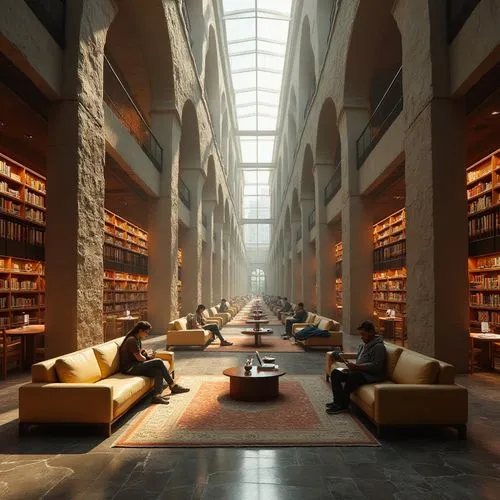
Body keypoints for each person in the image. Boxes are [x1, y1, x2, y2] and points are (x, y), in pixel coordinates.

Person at [119, 321, 189, 405]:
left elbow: (140, 353)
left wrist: (147, 355)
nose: (147, 334)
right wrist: (149, 358)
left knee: (157, 371)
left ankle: (157, 396)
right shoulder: (132, 340)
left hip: (135, 365)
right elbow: (140, 358)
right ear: (140, 330)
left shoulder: (137, 339)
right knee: (158, 361)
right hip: (130, 368)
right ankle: (173, 385)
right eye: (146, 332)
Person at [326, 321, 387, 414]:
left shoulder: (379, 347)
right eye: (361, 335)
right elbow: (359, 359)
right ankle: (337, 402)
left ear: (371, 332)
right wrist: (349, 363)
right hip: (359, 371)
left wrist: (357, 366)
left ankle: (343, 405)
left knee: (353, 376)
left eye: (363, 334)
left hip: (370, 375)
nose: (361, 337)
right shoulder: (363, 345)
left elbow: (376, 366)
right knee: (336, 373)